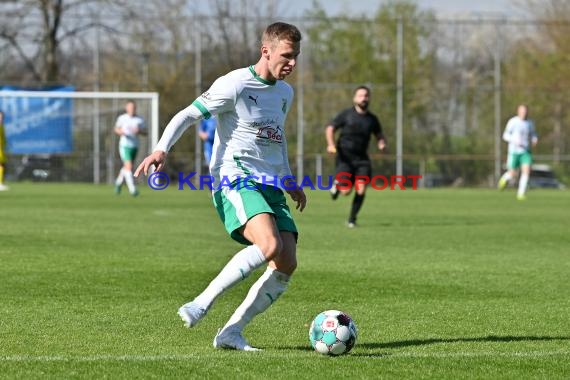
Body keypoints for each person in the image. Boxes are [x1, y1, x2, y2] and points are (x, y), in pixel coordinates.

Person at [135, 22, 306, 351]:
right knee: (270, 246)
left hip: (270, 182)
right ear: (265, 51)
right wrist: (161, 149)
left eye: (296, 56)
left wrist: (288, 179)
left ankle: (232, 332)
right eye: (287, 55)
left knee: (286, 262)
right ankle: (201, 302)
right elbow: (187, 115)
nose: (293, 63)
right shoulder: (235, 84)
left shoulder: (286, 93)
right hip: (234, 176)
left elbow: (276, 138)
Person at [325, 85, 386, 227]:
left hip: (362, 159)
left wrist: (382, 143)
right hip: (345, 158)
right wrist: (330, 144)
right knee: (346, 192)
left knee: (361, 188)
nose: (363, 98)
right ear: (354, 98)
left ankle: (352, 220)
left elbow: (379, 135)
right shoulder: (346, 115)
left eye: (366, 95)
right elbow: (330, 128)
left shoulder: (372, 119)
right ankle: (337, 186)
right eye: (360, 95)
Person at [498, 104, 538, 200]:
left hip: (525, 151)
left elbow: (533, 133)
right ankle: (504, 179)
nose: (524, 113)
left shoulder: (530, 123)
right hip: (514, 151)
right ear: (518, 111)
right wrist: (514, 140)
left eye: (525, 111)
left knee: (526, 171)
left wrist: (534, 139)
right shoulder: (513, 122)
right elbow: (505, 135)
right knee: (513, 174)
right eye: (522, 111)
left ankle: (521, 194)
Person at [114, 100, 145, 196]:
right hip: (125, 145)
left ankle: (118, 183)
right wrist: (121, 132)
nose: (132, 109)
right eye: (130, 107)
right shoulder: (122, 118)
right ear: (126, 108)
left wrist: (139, 131)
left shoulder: (140, 119)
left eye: (133, 108)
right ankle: (133, 190)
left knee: (126, 167)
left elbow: (145, 132)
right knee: (129, 167)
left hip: (135, 146)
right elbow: (116, 129)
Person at [0, 111, 8, 191]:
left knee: (2, 165)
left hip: (1, 150)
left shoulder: (2, 127)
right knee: (1, 165)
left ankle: (1, 183)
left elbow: (3, 139)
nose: (1, 119)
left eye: (2, 117)